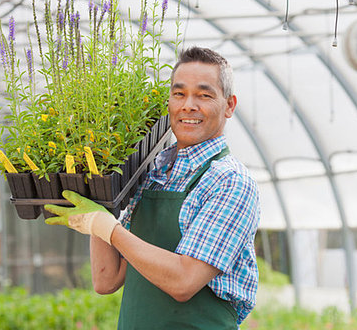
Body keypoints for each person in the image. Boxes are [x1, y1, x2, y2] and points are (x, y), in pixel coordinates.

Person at [45, 46, 261, 329]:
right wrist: (98, 199)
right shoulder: (152, 173)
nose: (188, 106)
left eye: (204, 95)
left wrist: (109, 228)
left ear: (229, 105)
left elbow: (185, 281)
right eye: (179, 94)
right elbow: (106, 279)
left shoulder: (229, 182)